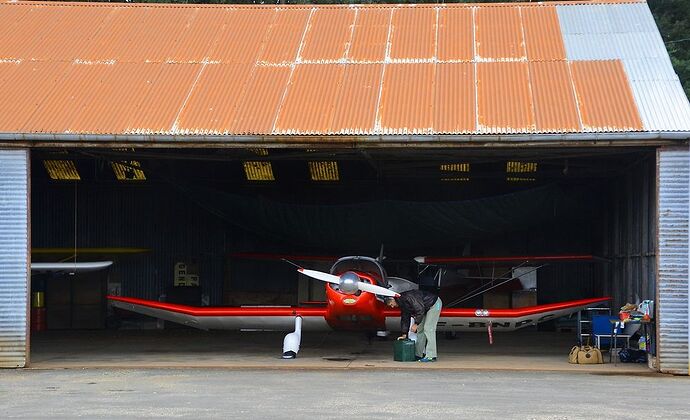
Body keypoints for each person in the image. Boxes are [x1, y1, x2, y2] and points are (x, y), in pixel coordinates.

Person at [385, 289, 442, 362]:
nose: (392, 307)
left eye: (391, 304)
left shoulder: (408, 297)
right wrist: (404, 334)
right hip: (425, 308)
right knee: (420, 330)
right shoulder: (402, 303)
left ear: (393, 300)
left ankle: (431, 356)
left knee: (428, 329)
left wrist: (416, 323)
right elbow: (405, 318)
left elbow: (420, 309)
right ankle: (418, 355)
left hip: (434, 304)